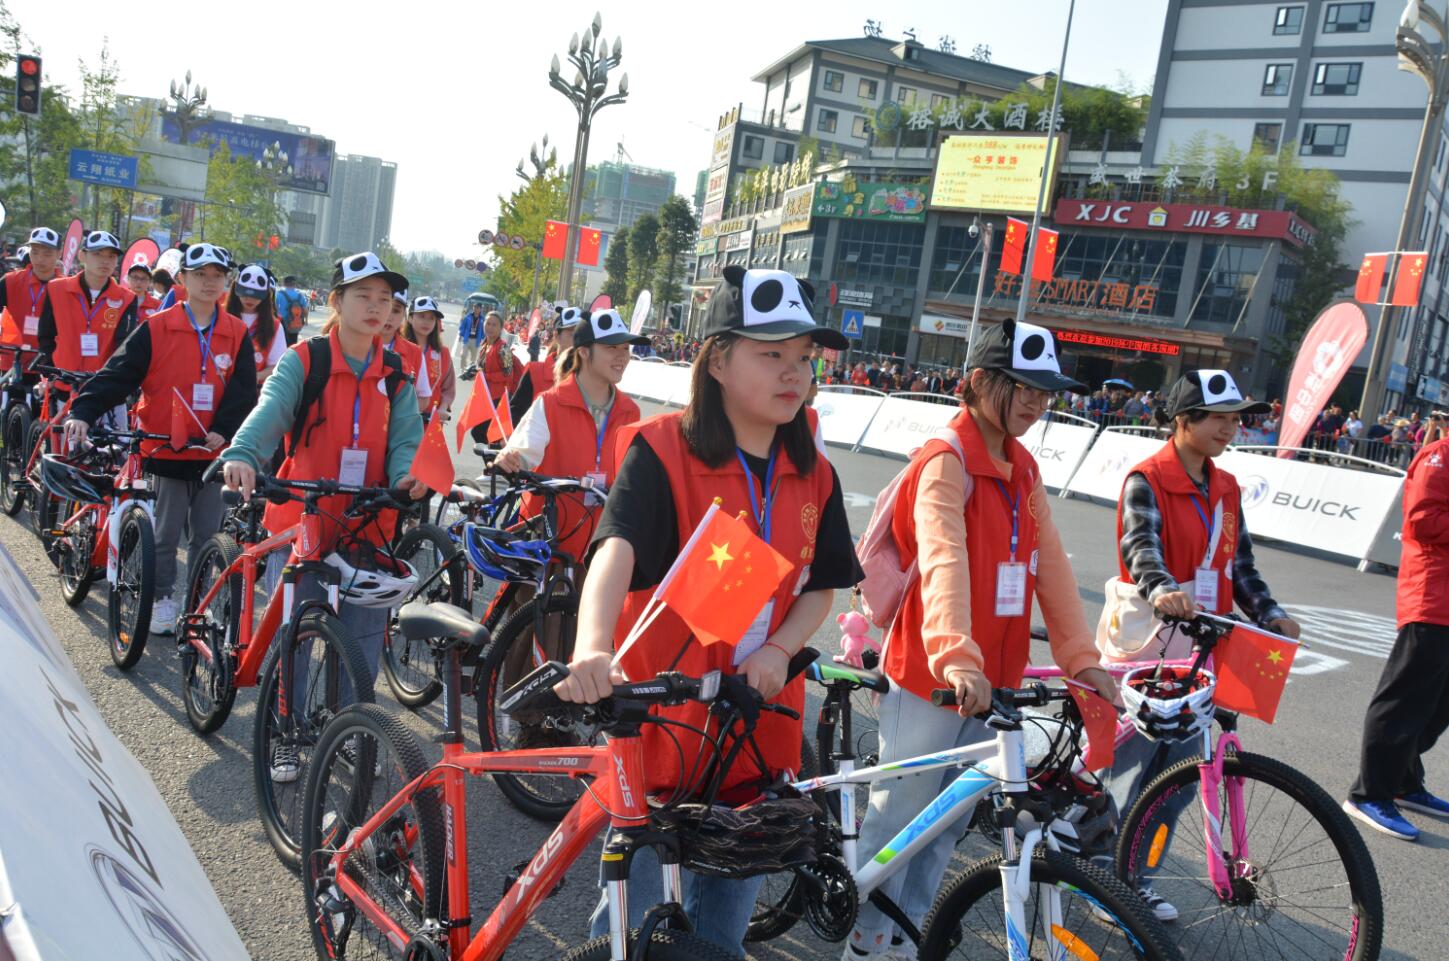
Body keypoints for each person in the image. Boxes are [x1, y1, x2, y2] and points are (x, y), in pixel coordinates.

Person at [555, 267, 858, 957]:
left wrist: (778, 649)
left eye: (804, 356)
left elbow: (824, 583)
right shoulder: (663, 449)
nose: (794, 372)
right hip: (662, 730)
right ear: (717, 359)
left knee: (719, 938)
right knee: (630, 933)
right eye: (771, 353)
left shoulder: (815, 472)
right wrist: (592, 645)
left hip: (753, 735)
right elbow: (615, 549)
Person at [844, 320, 1117, 959]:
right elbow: (944, 558)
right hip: (933, 675)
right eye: (1021, 386)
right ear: (978, 382)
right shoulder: (947, 458)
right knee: (900, 821)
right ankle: (864, 942)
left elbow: (1053, 568)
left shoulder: (1024, 467)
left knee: (946, 830)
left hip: (992, 683)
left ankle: (910, 940)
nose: (1036, 401)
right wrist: (958, 657)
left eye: (1044, 391)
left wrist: (1082, 660)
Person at [219, 251, 426, 781]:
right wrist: (243, 453)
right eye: (364, 296)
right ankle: (284, 733)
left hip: (366, 523)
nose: (376, 307)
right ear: (336, 301)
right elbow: (271, 411)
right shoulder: (305, 360)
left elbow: (407, 438)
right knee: (295, 634)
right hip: (303, 518)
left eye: (385, 299)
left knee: (361, 640)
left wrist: (407, 476)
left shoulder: (395, 372)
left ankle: (350, 732)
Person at [1106, 369, 1299, 919]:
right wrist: (1162, 588)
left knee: (1182, 778)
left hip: (1203, 644)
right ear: (1183, 419)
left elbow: (1241, 566)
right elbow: (1141, 548)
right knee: (1130, 770)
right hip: (1152, 640)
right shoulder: (1148, 478)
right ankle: (1103, 874)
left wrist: (1271, 613)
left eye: (1236, 419)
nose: (1230, 428)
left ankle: (1136, 879)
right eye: (1218, 417)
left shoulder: (1227, 487)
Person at [63, 242, 257, 636]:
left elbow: (244, 391)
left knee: (208, 536)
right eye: (200, 275)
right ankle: (162, 599)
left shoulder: (236, 332)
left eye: (217, 276)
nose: (209, 283)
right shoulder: (157, 326)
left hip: (214, 452)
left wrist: (225, 428)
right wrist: (83, 410)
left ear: (227, 282)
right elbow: (119, 374)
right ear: (182, 278)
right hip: (167, 448)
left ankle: (197, 605)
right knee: (165, 535)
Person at [1345, 425, 1449, 840]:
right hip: (1432, 597)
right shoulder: (1440, 456)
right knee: (1404, 701)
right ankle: (1369, 794)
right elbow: (1422, 521)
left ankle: (1404, 781)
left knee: (1437, 706)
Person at [494, 306, 647, 564]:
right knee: (530, 591)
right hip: (547, 538)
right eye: (612, 347)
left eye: (625, 348)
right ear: (584, 352)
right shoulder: (551, 403)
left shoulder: (630, 411)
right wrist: (510, 458)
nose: (622, 356)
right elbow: (523, 451)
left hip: (600, 544)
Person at [37, 231, 138, 384]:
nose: (105, 261)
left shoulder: (127, 298)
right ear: (82, 255)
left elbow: (123, 345)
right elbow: (46, 335)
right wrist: (49, 370)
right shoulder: (56, 288)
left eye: (111, 256)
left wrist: (113, 378)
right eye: (97, 254)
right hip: (61, 380)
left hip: (100, 386)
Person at [0, 226, 61, 376]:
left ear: (59, 254)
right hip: (12, 361)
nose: (40, 259)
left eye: (47, 254)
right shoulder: (10, 281)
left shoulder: (65, 288)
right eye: (34, 252)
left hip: (49, 364)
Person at [510, 305, 579, 419]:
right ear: (556, 336)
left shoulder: (589, 379)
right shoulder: (534, 372)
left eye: (581, 335)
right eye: (572, 334)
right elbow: (514, 416)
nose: (578, 340)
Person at [227, 264, 287, 381]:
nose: (249, 299)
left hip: (254, 390)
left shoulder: (274, 326)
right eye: (245, 293)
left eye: (256, 295)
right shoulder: (219, 317)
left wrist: (252, 378)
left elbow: (277, 366)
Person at [404, 295, 455, 423]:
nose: (426, 322)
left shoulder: (443, 353)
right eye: (422, 316)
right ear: (410, 318)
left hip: (431, 421)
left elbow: (448, 388)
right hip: (401, 419)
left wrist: (443, 408)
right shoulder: (399, 348)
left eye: (431, 318)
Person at [380, 289, 432, 414]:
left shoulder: (415, 352)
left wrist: (395, 414)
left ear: (404, 315)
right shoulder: (353, 344)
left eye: (396, 310)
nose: (389, 316)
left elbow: (423, 398)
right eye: (384, 306)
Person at [469, 310, 517, 444]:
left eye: (494, 325)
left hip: (498, 399)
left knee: (481, 433)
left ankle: (493, 456)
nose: (490, 327)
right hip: (486, 397)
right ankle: (493, 456)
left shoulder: (503, 347)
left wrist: (487, 376)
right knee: (483, 434)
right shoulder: (485, 344)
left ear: (501, 328)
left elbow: (508, 374)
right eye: (488, 323)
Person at [274, 275, 310, 346]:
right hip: (295, 322)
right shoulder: (300, 295)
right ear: (294, 284)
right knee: (293, 344)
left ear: (284, 284)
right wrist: (306, 320)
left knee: (282, 344)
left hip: (282, 323)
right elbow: (305, 310)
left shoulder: (279, 294)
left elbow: (274, 308)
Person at [456, 302, 484, 369]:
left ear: (480, 309)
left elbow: (484, 330)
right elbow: (462, 326)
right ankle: (463, 369)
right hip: (467, 339)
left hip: (476, 340)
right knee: (463, 355)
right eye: (474, 307)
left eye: (477, 307)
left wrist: (483, 339)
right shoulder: (468, 317)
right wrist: (460, 335)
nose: (475, 308)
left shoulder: (482, 319)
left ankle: (470, 371)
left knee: (473, 359)